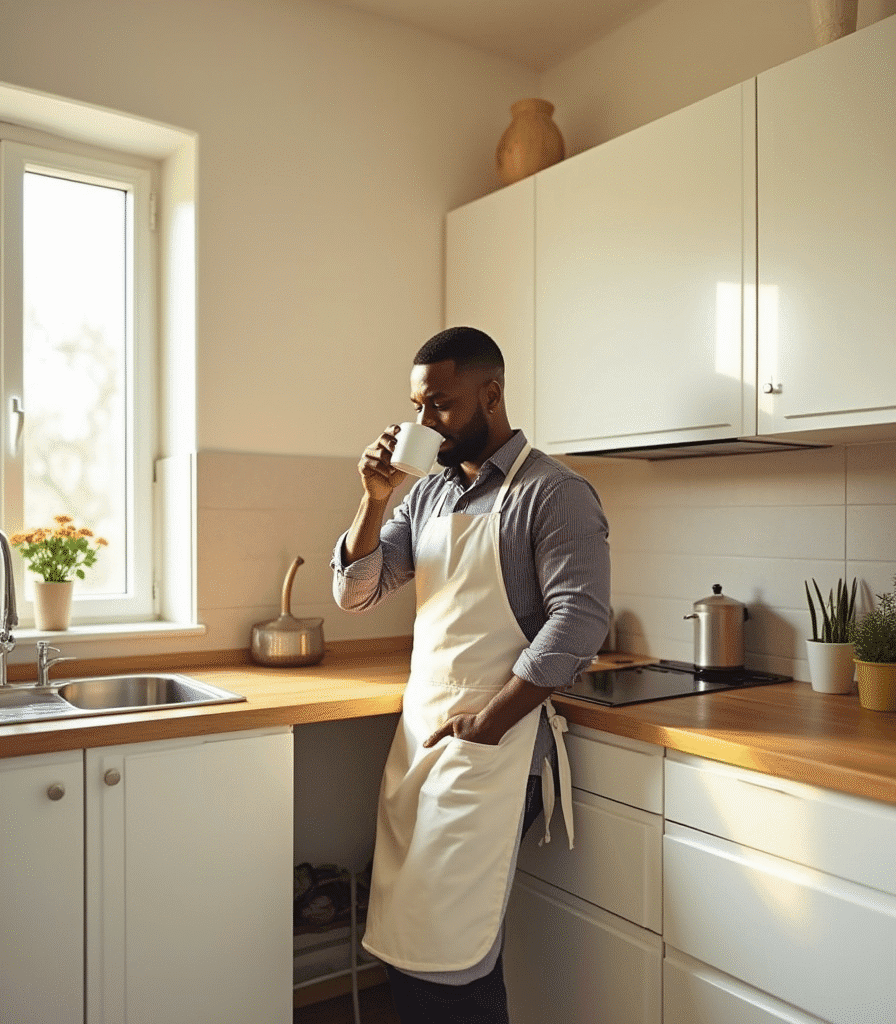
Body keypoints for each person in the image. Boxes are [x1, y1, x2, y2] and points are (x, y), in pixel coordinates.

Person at [331, 326, 610, 1023]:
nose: (424, 423)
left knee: (452, 962)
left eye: (442, 406)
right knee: (412, 943)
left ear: (492, 394)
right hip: (423, 742)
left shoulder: (553, 492)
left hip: (495, 750)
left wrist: (492, 721)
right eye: (418, 406)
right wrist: (373, 497)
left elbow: (579, 623)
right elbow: (356, 593)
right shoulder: (425, 497)